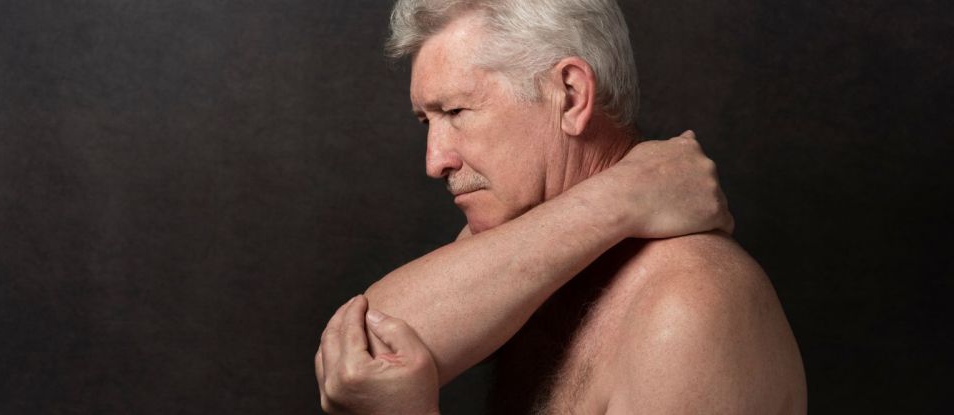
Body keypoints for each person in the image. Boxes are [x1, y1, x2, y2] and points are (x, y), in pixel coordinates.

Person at [315, 0, 807, 413]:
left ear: (570, 96)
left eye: (456, 111)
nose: (435, 161)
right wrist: (619, 197)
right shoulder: (544, 241)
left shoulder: (690, 306)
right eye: (428, 121)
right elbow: (358, 353)